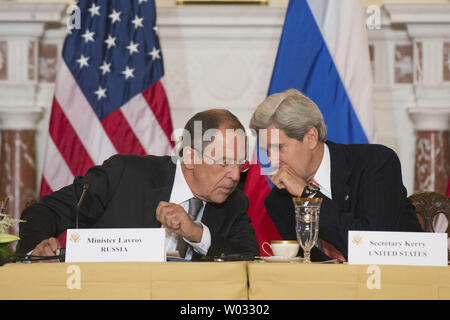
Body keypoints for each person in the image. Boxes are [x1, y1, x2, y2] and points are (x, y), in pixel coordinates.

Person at [16, 109, 259, 261]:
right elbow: (43, 211)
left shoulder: (234, 202)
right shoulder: (124, 175)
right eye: (225, 162)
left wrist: (195, 232)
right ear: (191, 158)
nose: (235, 175)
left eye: (241, 164)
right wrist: (36, 253)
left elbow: (248, 256)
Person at [249, 89, 422, 261]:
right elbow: (308, 265)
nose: (272, 161)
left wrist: (307, 194)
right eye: (267, 151)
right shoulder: (278, 200)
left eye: (279, 148)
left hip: (399, 279)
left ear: (310, 138)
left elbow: (372, 247)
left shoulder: (375, 163)